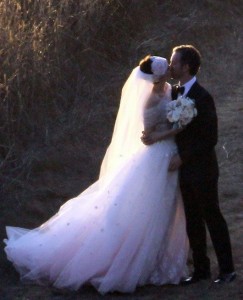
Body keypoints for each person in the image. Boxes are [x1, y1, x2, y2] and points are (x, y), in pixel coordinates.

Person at [4, 55, 188, 294]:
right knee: (149, 208)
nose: (169, 72)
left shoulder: (167, 90)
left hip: (168, 153)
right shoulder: (151, 99)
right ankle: (138, 262)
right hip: (157, 155)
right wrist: (176, 127)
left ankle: (163, 257)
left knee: (166, 206)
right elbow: (149, 133)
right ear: (159, 75)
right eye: (165, 69)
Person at [143, 45, 236, 284]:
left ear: (186, 66)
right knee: (193, 221)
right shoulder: (173, 94)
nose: (171, 66)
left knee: (212, 216)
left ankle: (227, 270)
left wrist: (183, 157)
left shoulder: (203, 97)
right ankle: (201, 270)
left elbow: (209, 138)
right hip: (182, 171)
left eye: (174, 63)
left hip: (202, 169)